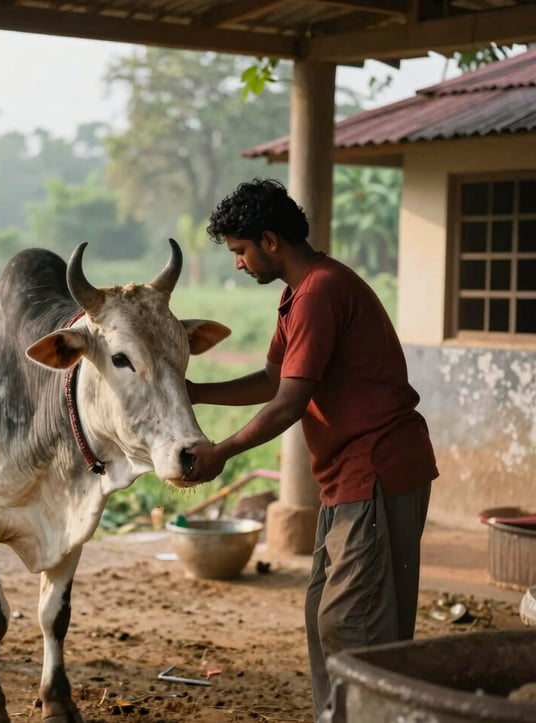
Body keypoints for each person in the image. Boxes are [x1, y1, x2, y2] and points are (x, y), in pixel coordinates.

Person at [183, 178, 438, 721]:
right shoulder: (297, 294)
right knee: (328, 615)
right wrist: (198, 392)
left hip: (375, 469)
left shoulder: (321, 292)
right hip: (348, 475)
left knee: (355, 623)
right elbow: (276, 377)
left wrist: (222, 452)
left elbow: (289, 403)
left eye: (240, 251)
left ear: (270, 240)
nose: (238, 264)